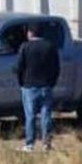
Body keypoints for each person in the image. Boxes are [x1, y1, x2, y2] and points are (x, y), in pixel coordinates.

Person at [15, 23, 60, 152]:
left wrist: (21, 82)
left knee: (30, 116)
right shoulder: (50, 47)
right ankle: (46, 143)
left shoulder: (25, 47)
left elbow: (19, 67)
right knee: (46, 115)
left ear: (30, 33)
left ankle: (30, 144)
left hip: (29, 86)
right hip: (46, 85)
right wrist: (52, 82)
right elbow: (56, 68)